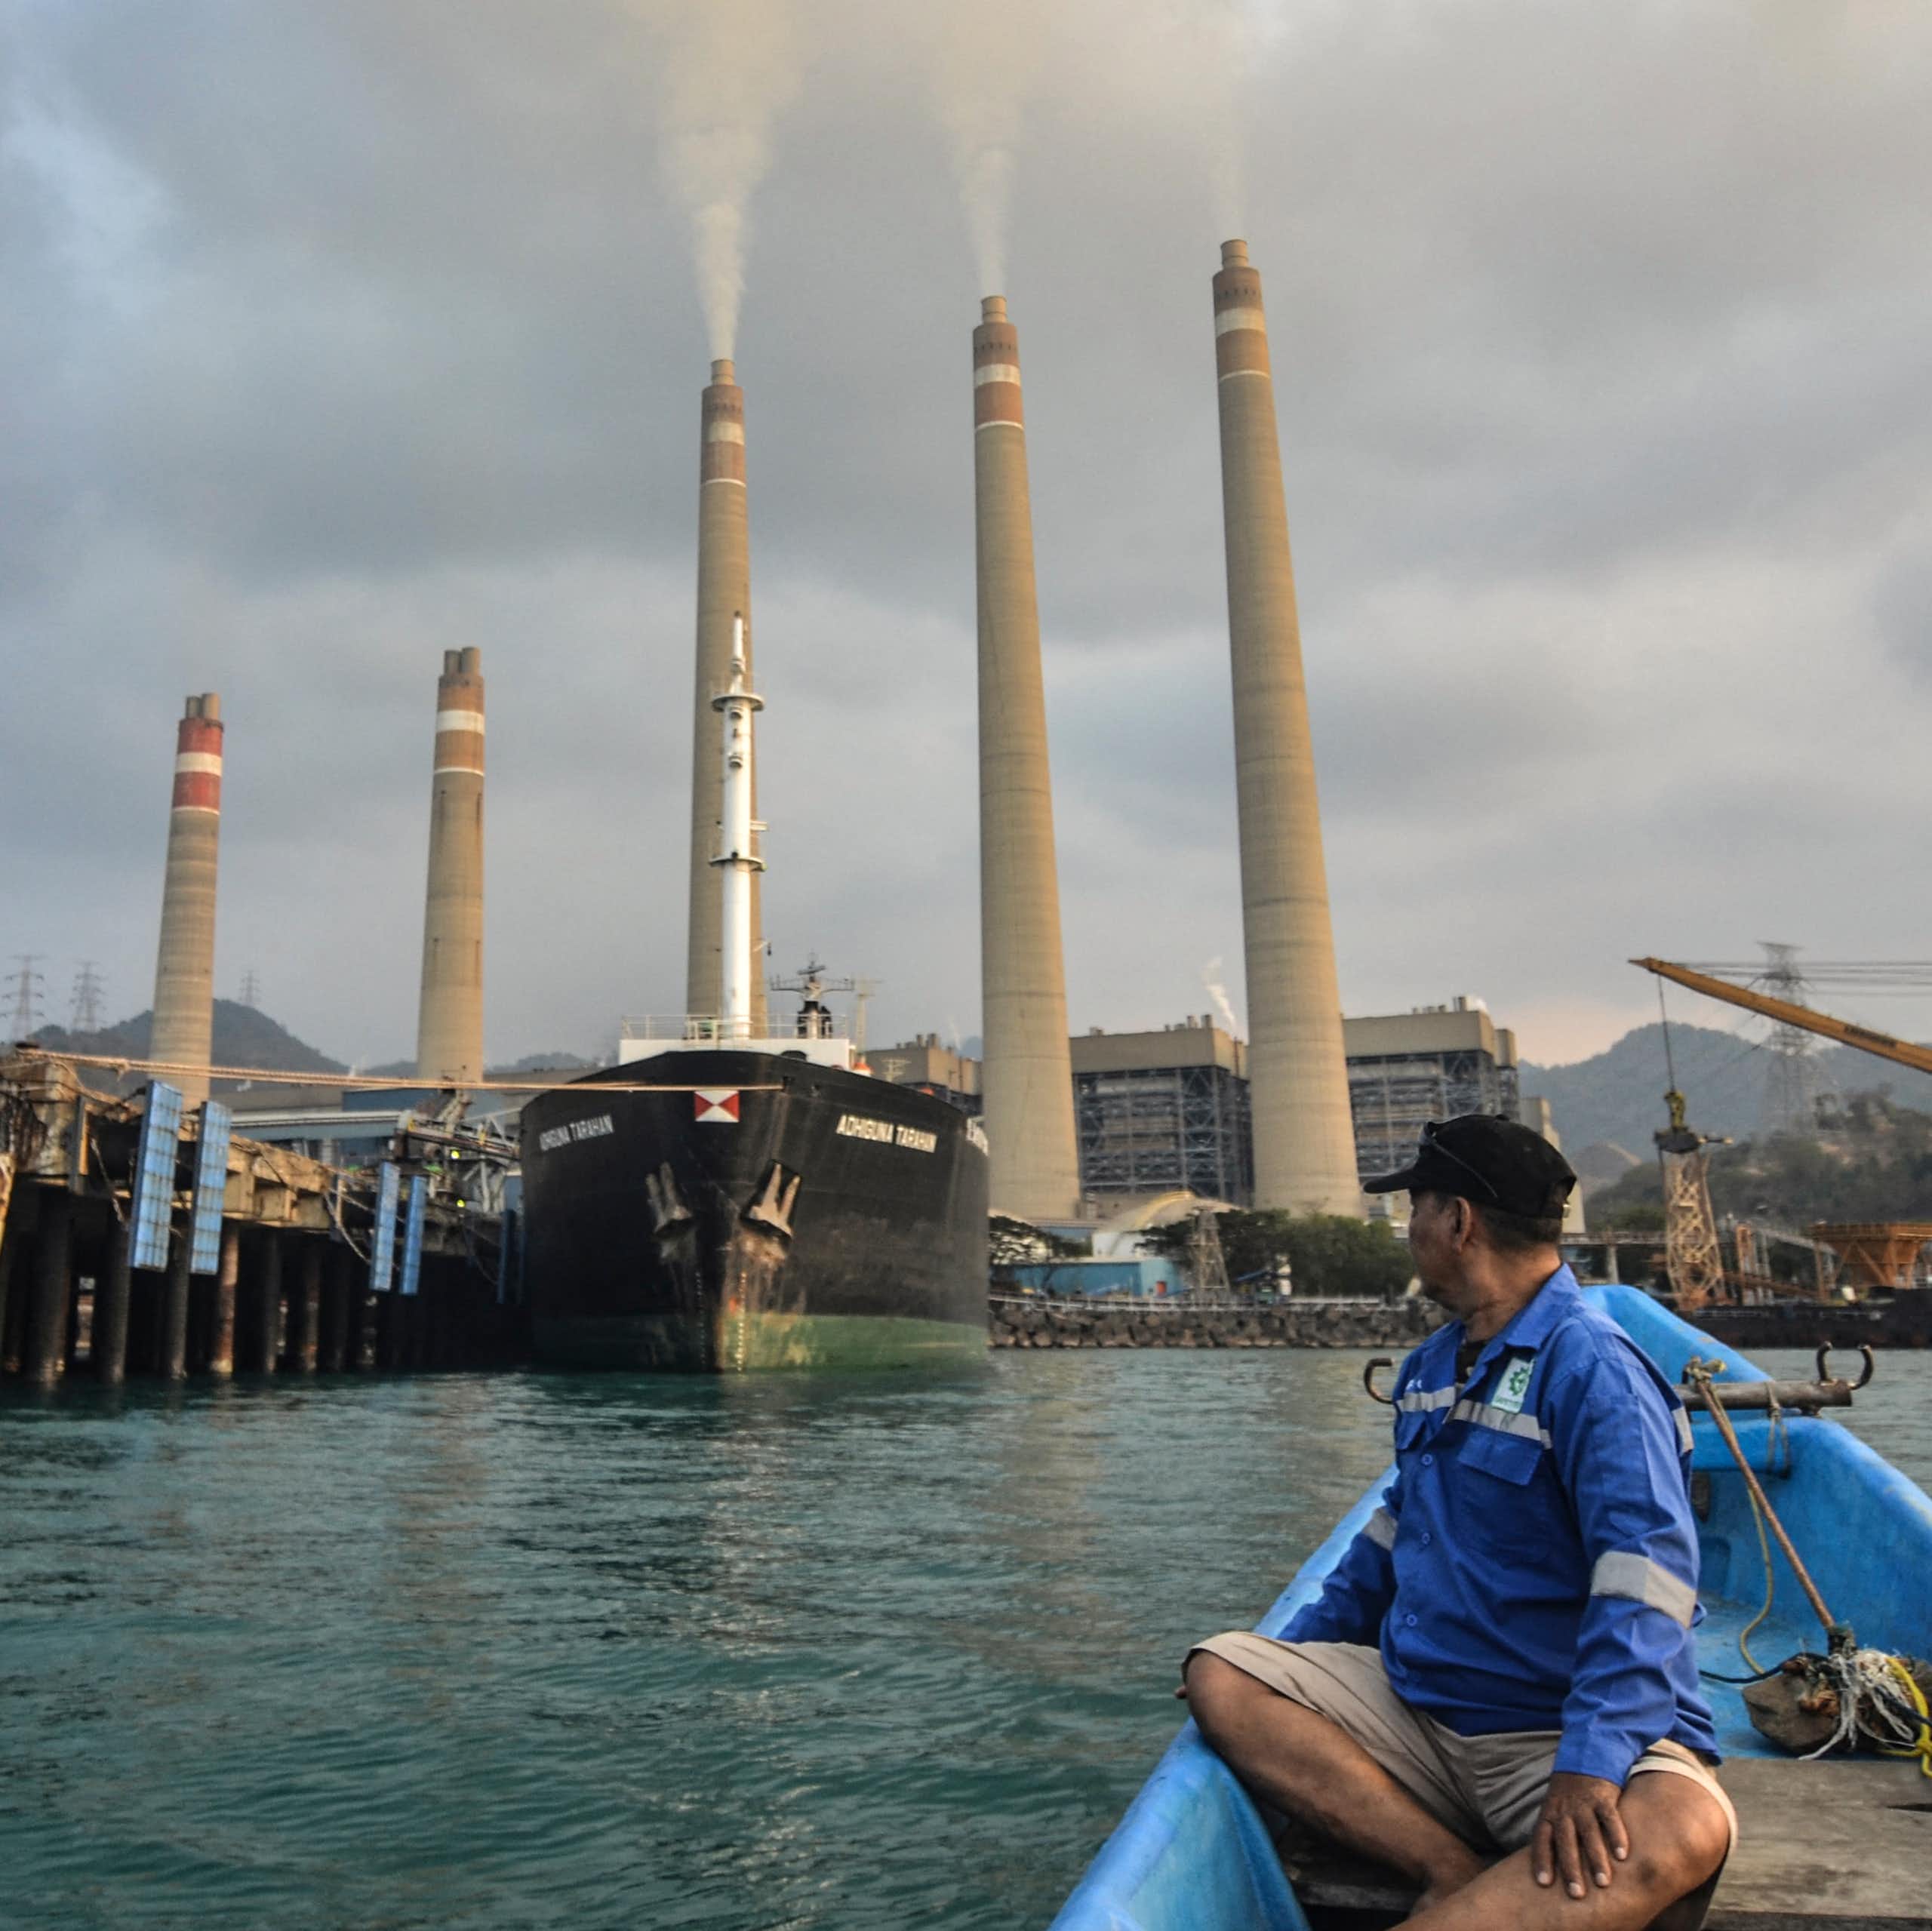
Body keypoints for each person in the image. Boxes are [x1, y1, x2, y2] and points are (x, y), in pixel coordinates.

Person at [1180, 1115, 1737, 1929]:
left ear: (1458, 1222)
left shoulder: (1594, 1371)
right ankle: (1449, 1870)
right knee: (1222, 1676)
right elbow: (1389, 1539)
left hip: (1555, 1734)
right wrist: (1288, 1665)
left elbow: (1644, 1581)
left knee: (1682, 1829)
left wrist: (1589, 1764)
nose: (1410, 1231)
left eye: (1415, 1209)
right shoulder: (1432, 1367)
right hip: (1423, 1716)